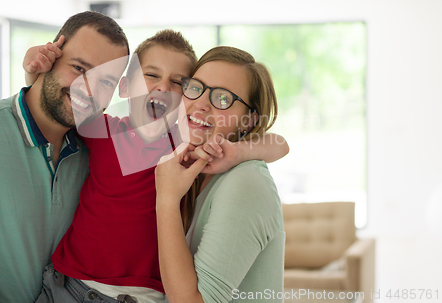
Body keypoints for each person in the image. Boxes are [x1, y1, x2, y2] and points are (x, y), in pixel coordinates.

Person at [23, 32, 289, 303]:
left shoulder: (185, 143)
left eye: (178, 82)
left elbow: (280, 144)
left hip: (140, 296)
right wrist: (34, 75)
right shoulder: (104, 129)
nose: (163, 88)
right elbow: (57, 106)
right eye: (151, 75)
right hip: (68, 283)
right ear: (125, 87)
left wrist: (238, 152)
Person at [0, 11, 130, 303]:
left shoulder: (96, 149)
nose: (88, 89)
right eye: (80, 68)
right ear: (50, 55)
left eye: (105, 82)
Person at [155, 46, 285, 303]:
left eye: (223, 99)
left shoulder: (245, 182)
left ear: (248, 121)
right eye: (195, 88)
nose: (200, 104)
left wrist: (167, 200)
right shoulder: (191, 167)